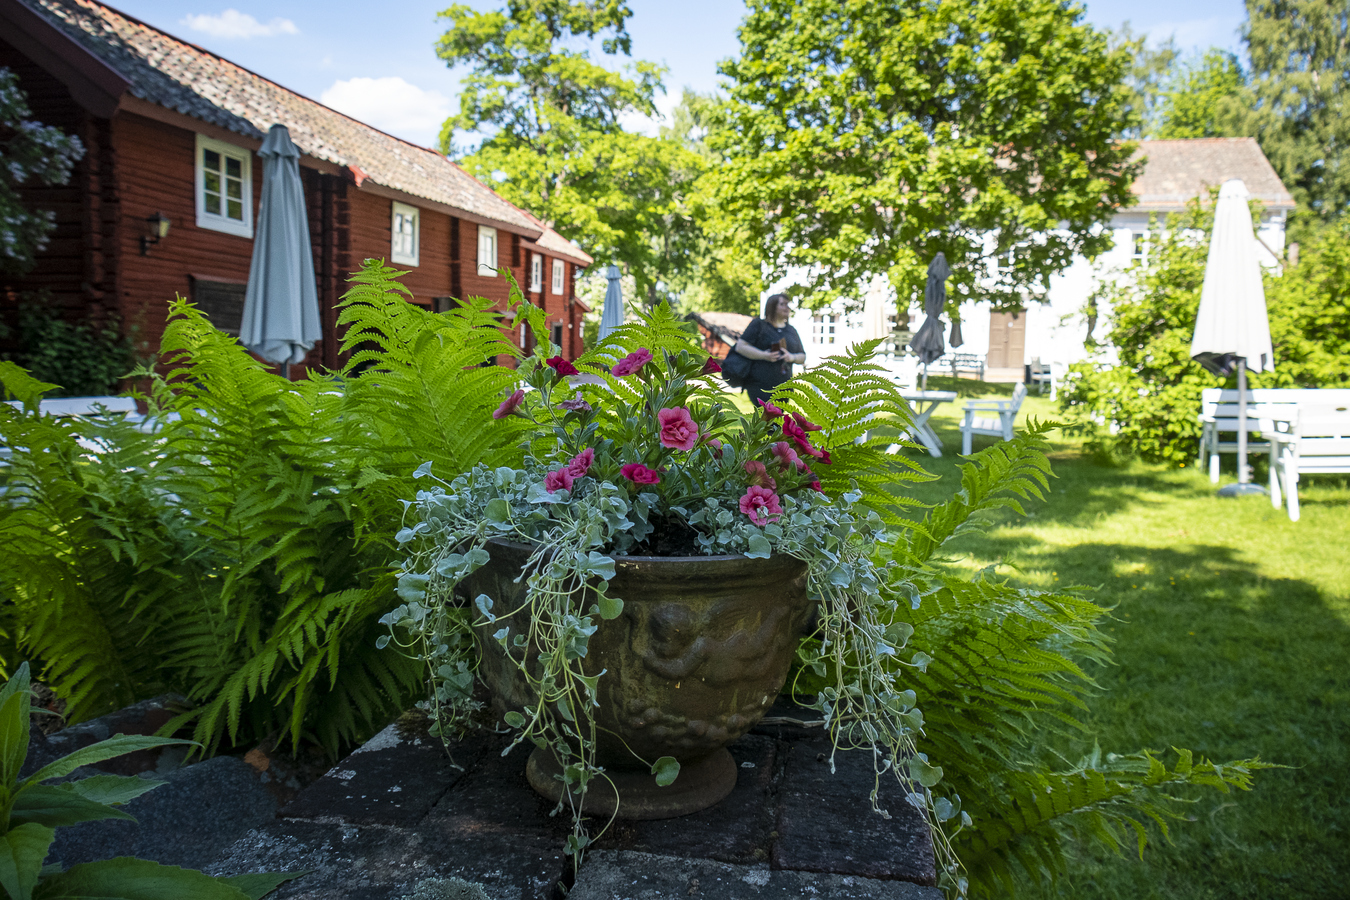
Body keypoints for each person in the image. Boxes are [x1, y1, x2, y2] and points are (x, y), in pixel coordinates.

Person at [731, 293, 805, 407]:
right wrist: (764, 355)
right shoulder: (759, 325)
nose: (787, 308)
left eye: (787, 304)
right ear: (772, 306)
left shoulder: (791, 330)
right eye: (782, 304)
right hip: (760, 385)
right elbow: (741, 346)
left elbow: (802, 356)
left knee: (778, 421)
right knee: (767, 419)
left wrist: (791, 357)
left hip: (784, 387)